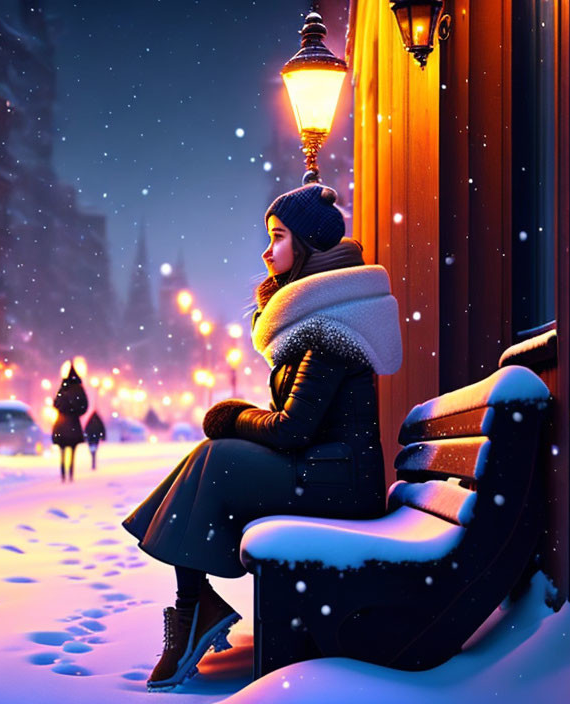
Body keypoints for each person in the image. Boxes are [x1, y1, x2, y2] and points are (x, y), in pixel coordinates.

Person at [122, 183, 403, 691]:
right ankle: (194, 605)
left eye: (277, 237)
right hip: (326, 470)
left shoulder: (333, 325)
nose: (266, 250)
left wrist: (235, 417)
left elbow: (293, 427)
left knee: (219, 456)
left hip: (340, 482)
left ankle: (193, 609)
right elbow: (294, 424)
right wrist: (239, 421)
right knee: (214, 457)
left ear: (309, 246)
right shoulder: (318, 315)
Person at [51, 363, 89, 482]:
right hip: (73, 423)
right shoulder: (79, 389)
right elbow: (85, 406)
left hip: (61, 424)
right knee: (73, 449)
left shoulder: (64, 388)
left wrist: (63, 409)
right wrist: (75, 412)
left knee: (62, 450)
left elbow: (56, 403)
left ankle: (63, 473)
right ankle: (71, 473)